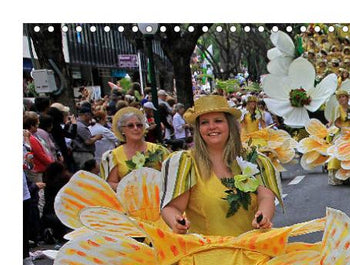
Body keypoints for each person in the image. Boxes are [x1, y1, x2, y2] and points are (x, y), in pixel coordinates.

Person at [160, 94, 282, 237]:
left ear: (229, 124)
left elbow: (266, 197)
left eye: (218, 121)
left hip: (252, 248)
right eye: (204, 122)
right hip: (208, 250)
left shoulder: (254, 159)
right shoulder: (187, 163)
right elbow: (172, 207)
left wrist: (263, 216)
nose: (212, 127)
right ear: (198, 128)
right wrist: (176, 222)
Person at [100, 107, 170, 189]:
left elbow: (170, 178)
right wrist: (131, 186)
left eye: (139, 125)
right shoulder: (113, 155)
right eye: (130, 126)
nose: (136, 128)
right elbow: (111, 183)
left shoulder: (158, 150)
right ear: (122, 130)